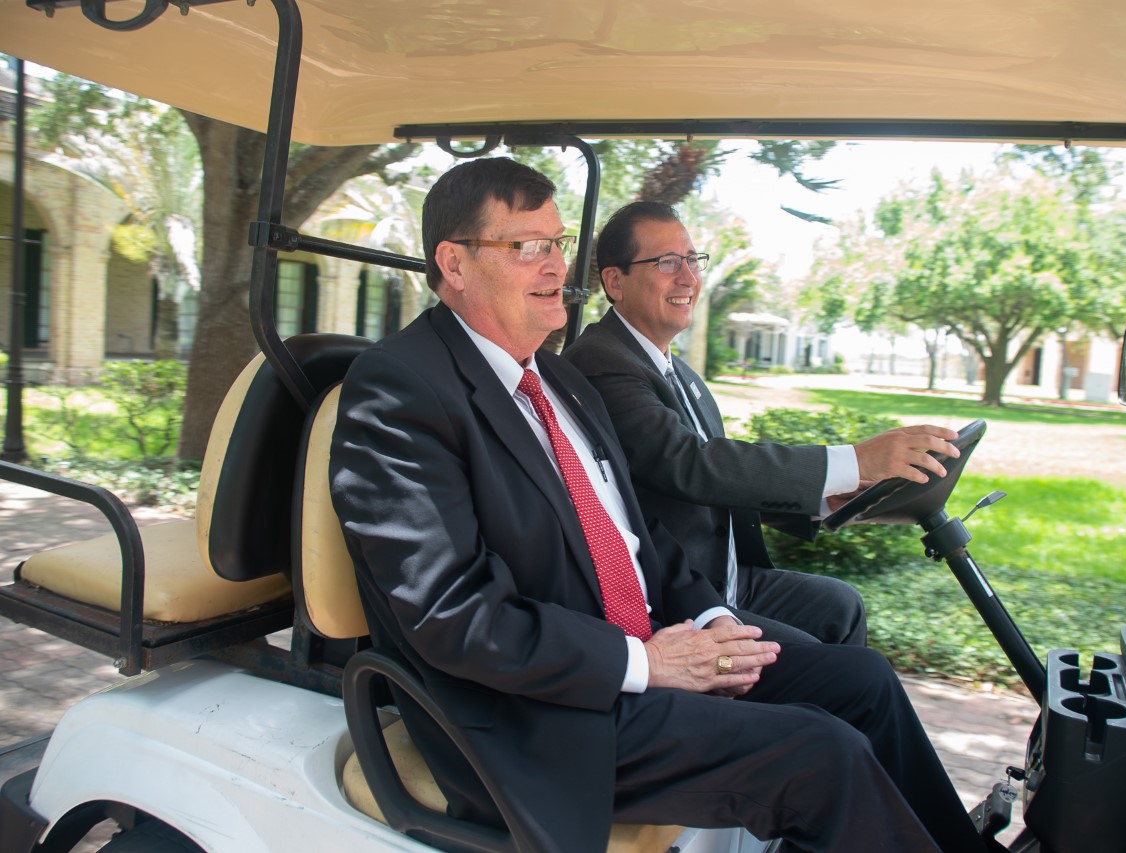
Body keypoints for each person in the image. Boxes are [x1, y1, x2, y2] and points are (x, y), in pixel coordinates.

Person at [330, 157, 986, 852]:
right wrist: (647, 663)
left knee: (864, 681)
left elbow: (640, 540)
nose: (556, 266)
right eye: (527, 247)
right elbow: (452, 613)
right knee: (821, 753)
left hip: (642, 654)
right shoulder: (398, 390)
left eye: (556, 243)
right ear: (453, 264)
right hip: (542, 708)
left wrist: (711, 619)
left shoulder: (558, 378)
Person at [563, 200, 960, 646]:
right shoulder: (599, 361)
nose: (689, 277)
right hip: (679, 595)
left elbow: (723, 482)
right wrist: (854, 458)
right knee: (848, 674)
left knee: (841, 606)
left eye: (693, 260)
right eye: (667, 262)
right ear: (615, 281)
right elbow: (689, 465)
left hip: (731, 577)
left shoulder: (681, 374)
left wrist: (834, 495)